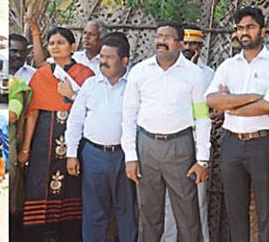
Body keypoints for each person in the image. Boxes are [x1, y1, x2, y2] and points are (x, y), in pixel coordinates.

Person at [206, 6, 269, 242]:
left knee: (265, 210)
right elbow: (211, 99)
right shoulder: (228, 65)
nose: (245, 32)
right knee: (235, 210)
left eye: (250, 27)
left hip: (262, 144)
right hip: (231, 143)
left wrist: (229, 105)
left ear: (262, 31)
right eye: (240, 28)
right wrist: (253, 96)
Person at [122, 22, 211, 242]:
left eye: (168, 38)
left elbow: (201, 116)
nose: (162, 41)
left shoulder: (193, 74)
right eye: (159, 36)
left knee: (187, 215)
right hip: (147, 146)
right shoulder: (140, 71)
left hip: (180, 146)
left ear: (180, 44)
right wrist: (130, 157)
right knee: (149, 214)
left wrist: (202, 159)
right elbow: (128, 115)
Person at [19, 27, 94, 241]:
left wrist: (72, 95)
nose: (55, 47)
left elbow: (93, 110)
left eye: (60, 43)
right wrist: (26, 148)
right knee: (38, 186)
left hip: (75, 141)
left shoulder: (86, 75)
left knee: (72, 187)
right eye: (51, 43)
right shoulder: (41, 75)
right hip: (44, 140)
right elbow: (32, 114)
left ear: (72, 47)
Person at [66, 32, 137, 242]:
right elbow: (75, 120)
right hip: (93, 155)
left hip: (125, 156)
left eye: (109, 57)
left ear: (124, 61)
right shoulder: (90, 85)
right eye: (102, 57)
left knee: (126, 211)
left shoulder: (135, 86)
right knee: (94, 212)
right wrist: (71, 154)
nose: (103, 62)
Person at [9, 33, 33, 241]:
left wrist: (26, 147)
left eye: (21, 52)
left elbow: (29, 112)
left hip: (25, 140)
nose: (17, 55)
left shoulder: (33, 76)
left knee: (21, 190)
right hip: (8, 142)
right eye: (12, 51)